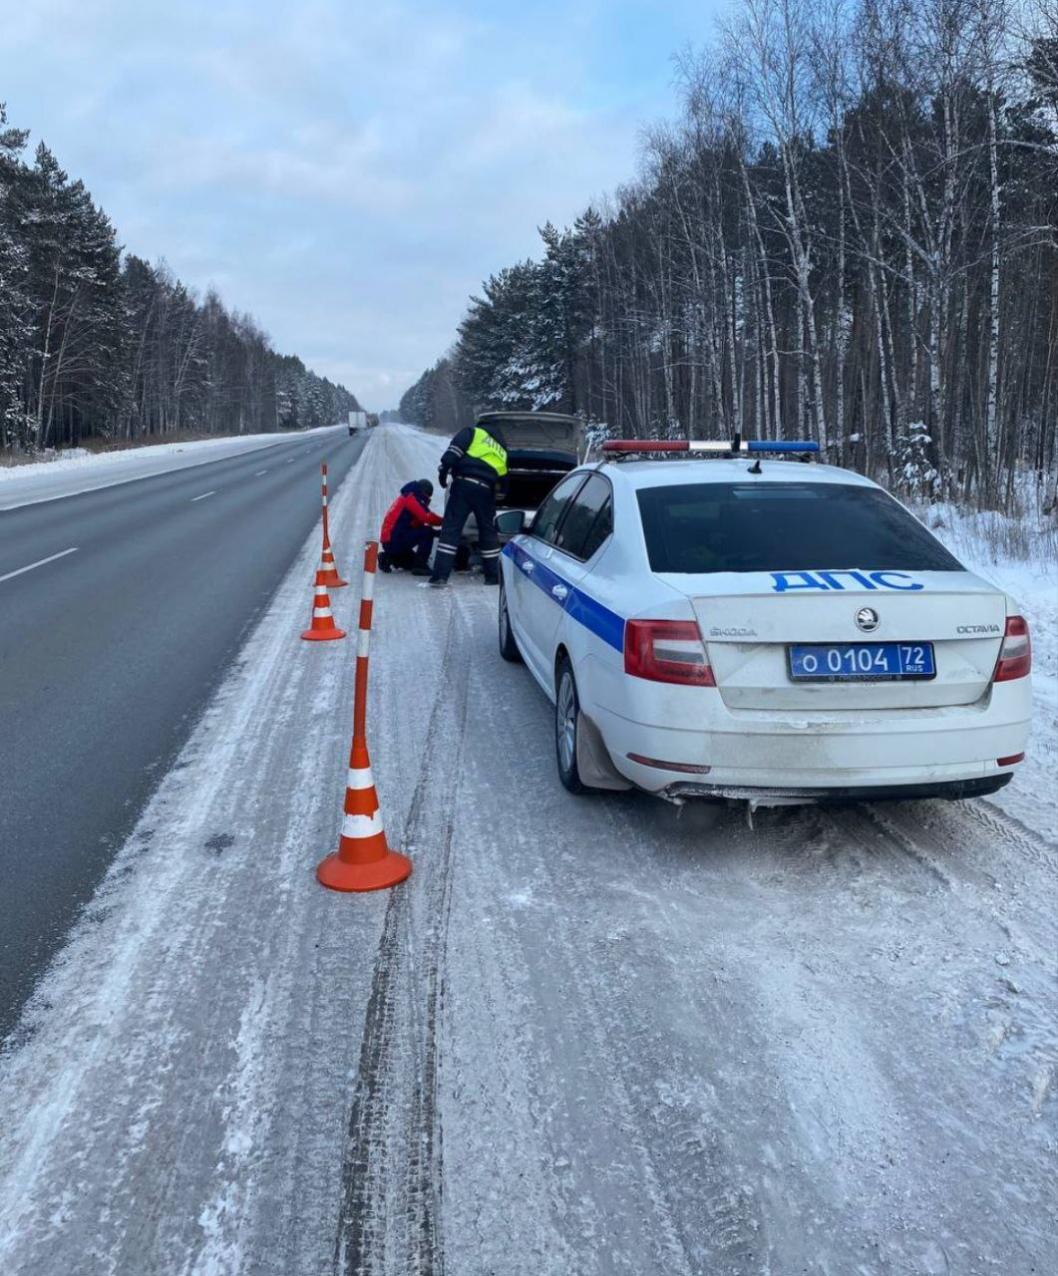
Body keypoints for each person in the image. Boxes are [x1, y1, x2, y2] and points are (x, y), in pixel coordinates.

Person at [429, 421, 508, 587]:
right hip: (486, 491)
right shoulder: (501, 450)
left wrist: (443, 473)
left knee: (451, 530)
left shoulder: (473, 432)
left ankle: (440, 577)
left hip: (464, 485)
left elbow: (453, 453)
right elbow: (503, 483)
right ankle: (493, 577)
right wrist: (496, 497)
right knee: (488, 533)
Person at [378, 479, 443, 575]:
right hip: (394, 539)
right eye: (428, 494)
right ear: (423, 491)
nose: (428, 497)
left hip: (392, 540)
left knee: (411, 563)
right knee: (426, 532)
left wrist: (435, 532)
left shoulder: (407, 496)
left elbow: (418, 524)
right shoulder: (411, 498)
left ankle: (388, 558)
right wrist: (445, 522)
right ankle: (420, 566)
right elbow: (426, 517)